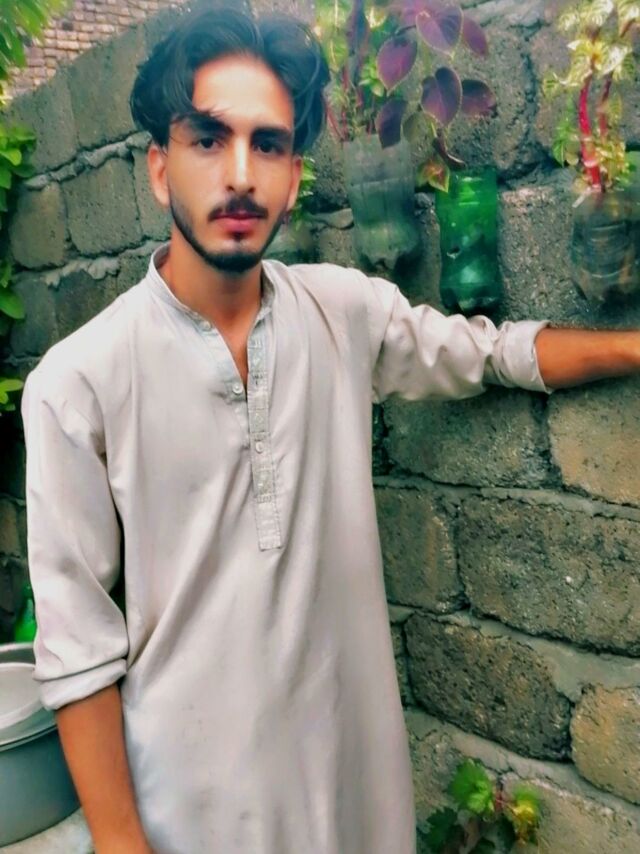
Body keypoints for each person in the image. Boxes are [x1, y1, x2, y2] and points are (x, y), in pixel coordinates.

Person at [20, 6, 640, 854]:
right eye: (209, 139)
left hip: (358, 792)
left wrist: (631, 347)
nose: (241, 174)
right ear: (160, 169)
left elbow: (492, 352)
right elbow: (78, 655)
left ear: (294, 174)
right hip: (192, 816)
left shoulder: (341, 311)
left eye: (269, 144)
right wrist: (123, 844)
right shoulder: (76, 386)